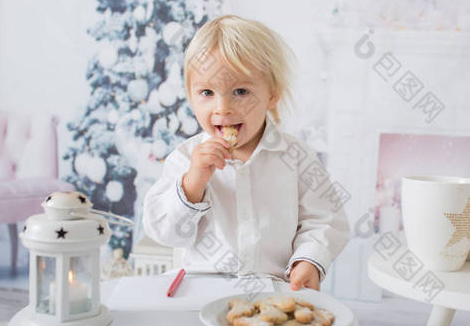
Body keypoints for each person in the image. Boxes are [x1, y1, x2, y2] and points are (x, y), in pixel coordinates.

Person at [142, 15, 350, 291]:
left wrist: (308, 260)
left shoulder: (295, 156)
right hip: (202, 288)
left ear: (272, 94)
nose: (223, 108)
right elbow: (163, 232)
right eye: (206, 92)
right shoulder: (185, 159)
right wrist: (192, 184)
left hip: (273, 288)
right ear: (191, 97)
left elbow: (326, 218)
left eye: (240, 91)